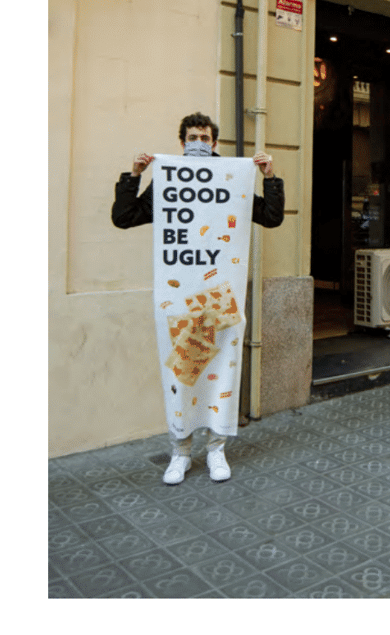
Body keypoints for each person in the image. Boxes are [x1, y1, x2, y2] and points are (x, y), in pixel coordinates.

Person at [113, 112, 284, 484]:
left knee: (220, 367)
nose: (198, 143)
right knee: (181, 373)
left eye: (204, 137)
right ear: (181, 142)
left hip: (218, 300)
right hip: (178, 299)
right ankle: (180, 452)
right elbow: (124, 216)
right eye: (192, 137)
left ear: (214, 142)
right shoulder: (168, 179)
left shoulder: (230, 178)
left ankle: (216, 450)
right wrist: (135, 175)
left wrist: (270, 178)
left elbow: (270, 218)